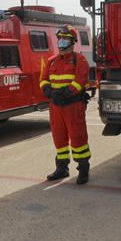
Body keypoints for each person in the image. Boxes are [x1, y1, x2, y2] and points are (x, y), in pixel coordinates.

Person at [40, 24, 91, 185]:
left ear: (72, 41)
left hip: (73, 105)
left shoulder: (80, 59)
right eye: (60, 38)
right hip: (55, 105)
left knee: (78, 137)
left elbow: (80, 81)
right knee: (59, 137)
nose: (61, 41)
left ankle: (83, 169)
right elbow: (43, 80)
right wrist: (48, 91)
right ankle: (62, 168)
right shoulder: (51, 61)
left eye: (65, 39)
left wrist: (66, 93)